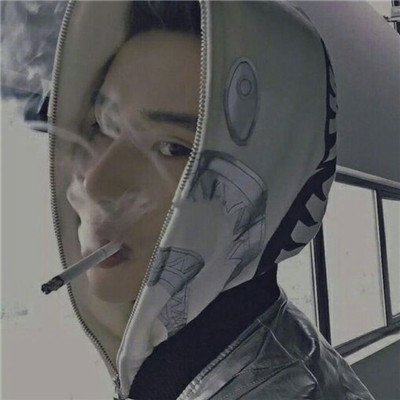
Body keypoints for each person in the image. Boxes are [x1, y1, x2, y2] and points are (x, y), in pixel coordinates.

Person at [49, 1, 375, 399]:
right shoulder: (173, 359)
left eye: (172, 148)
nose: (96, 184)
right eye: (102, 127)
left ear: (275, 181)